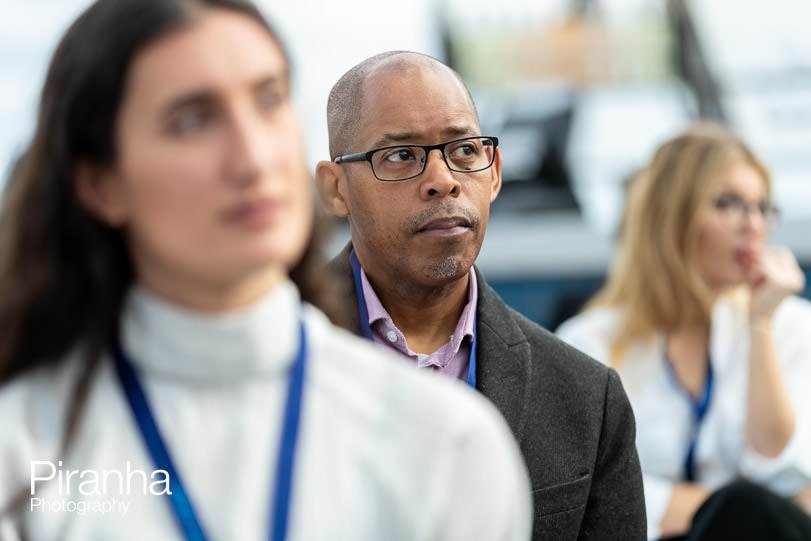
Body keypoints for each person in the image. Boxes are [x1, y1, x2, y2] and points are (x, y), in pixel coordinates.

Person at [0, 2, 533, 539]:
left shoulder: (445, 441)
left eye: (268, 100)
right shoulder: (23, 452)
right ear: (100, 183)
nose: (253, 157)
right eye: (192, 120)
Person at [315, 51, 646, 540]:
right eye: (402, 156)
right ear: (336, 188)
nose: (442, 180)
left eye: (464, 151)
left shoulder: (586, 398)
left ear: (493, 173)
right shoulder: (263, 356)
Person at [557, 123, 811, 540]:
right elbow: (591, 498)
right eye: (729, 204)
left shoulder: (789, 323)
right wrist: (717, 504)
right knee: (739, 506)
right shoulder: (589, 342)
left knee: (746, 509)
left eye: (762, 207)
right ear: (672, 216)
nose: (752, 224)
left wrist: (760, 324)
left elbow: (781, 473)